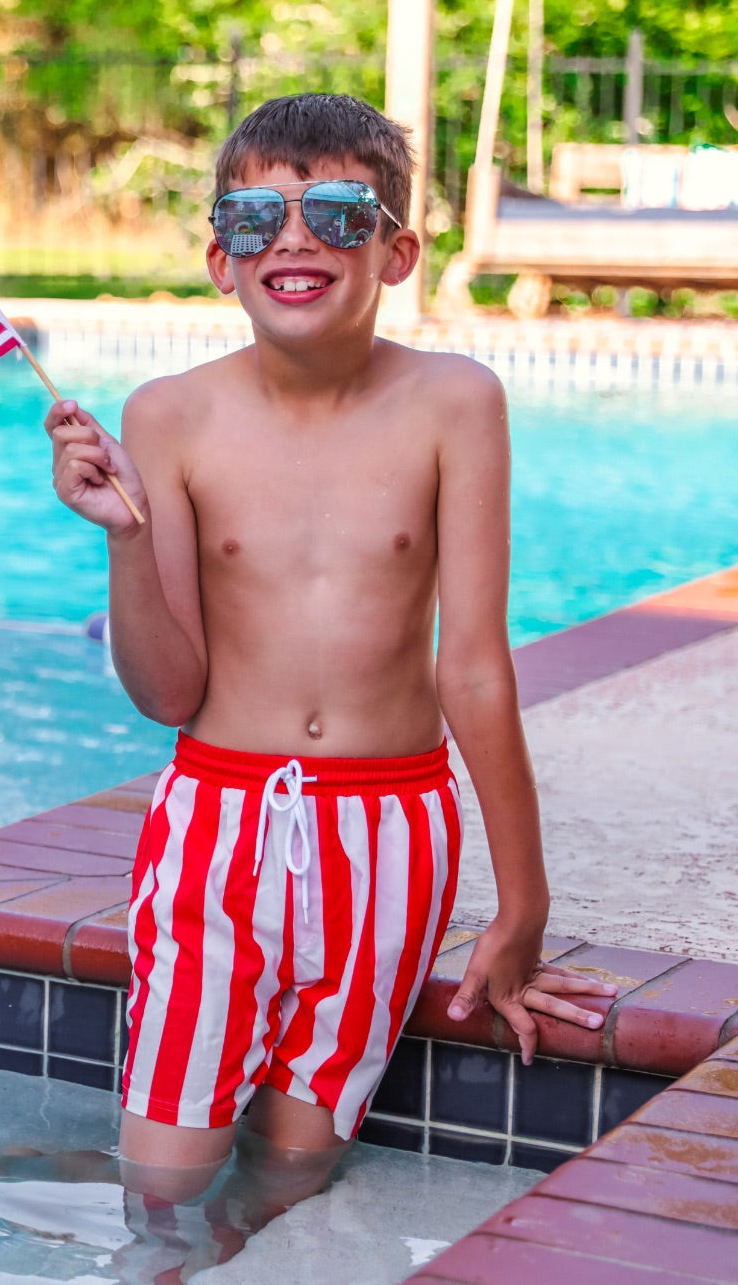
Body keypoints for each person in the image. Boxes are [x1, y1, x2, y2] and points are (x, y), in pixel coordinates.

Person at [45, 93, 615, 1212]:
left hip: (393, 834)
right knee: (160, 1193)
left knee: (294, 1180)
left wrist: (522, 909)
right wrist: (128, 541)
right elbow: (170, 692)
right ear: (221, 258)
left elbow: (475, 668)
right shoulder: (170, 416)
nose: (294, 239)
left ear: (396, 250)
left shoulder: (455, 402)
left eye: (339, 212)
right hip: (219, 829)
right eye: (256, 217)